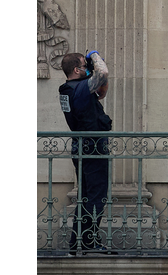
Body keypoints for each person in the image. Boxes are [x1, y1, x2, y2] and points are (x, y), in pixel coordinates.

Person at [58, 51, 112, 253]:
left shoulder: (70, 89)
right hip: (92, 148)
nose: (87, 67)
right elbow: (103, 73)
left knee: (86, 197)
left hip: (82, 147)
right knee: (96, 197)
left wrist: (91, 68)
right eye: (84, 65)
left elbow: (102, 90)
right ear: (76, 70)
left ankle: (78, 241)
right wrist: (95, 56)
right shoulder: (79, 89)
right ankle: (89, 243)